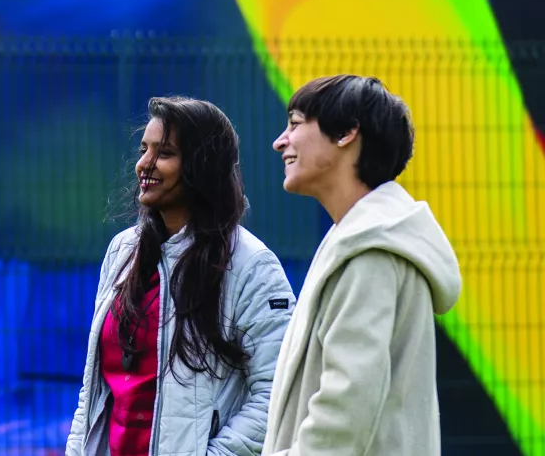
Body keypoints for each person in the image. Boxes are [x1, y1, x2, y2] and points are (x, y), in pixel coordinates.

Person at [67, 96, 297, 456]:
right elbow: (93, 389)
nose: (144, 163)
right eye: (144, 149)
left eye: (165, 153)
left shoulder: (252, 266)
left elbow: (280, 392)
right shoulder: (122, 251)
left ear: (202, 166)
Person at [262, 75, 461, 456]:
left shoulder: (371, 248)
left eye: (295, 123)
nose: (280, 141)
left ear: (347, 133)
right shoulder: (368, 237)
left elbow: (346, 405)